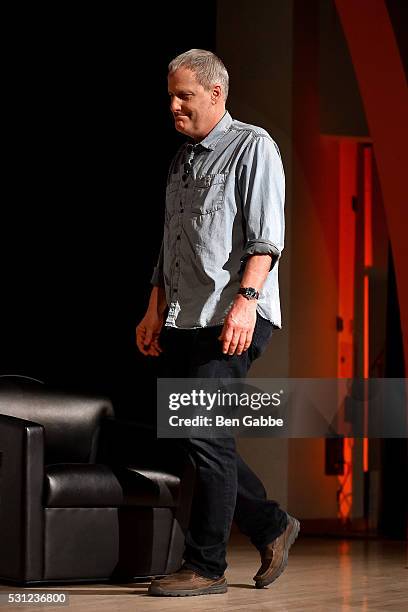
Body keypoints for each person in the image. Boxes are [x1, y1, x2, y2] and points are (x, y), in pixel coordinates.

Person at [136, 48, 299, 597]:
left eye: (185, 95)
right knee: (195, 434)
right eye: (171, 96)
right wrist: (154, 308)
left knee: (206, 433)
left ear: (215, 93)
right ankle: (272, 524)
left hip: (233, 315)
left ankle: (206, 566)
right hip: (185, 316)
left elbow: (265, 237)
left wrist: (247, 302)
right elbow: (170, 243)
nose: (175, 106)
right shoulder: (182, 160)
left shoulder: (252, 147)